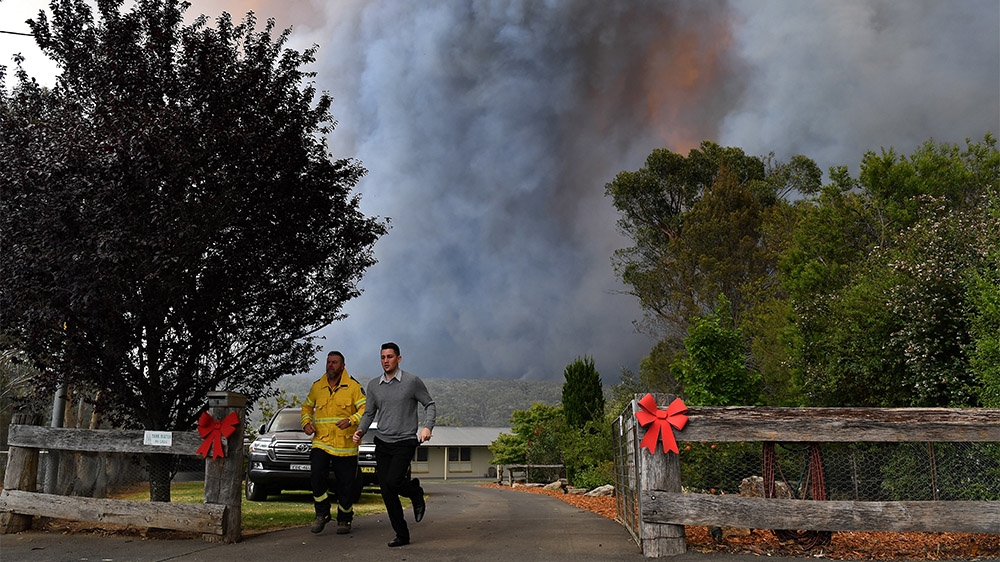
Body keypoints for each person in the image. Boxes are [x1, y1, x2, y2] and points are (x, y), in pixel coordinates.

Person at [353, 342, 436, 547]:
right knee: (387, 491)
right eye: (382, 357)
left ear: (398, 358)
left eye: (390, 357)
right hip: (382, 442)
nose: (385, 361)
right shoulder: (374, 385)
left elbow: (429, 404)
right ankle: (402, 535)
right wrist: (361, 430)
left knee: (393, 481)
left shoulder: (411, 382)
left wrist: (427, 428)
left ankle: (415, 492)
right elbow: (369, 412)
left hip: (405, 440)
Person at [302, 351, 366, 534]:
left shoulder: (354, 387)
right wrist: (306, 422)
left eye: (335, 362)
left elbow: (365, 408)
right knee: (316, 475)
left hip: (345, 446)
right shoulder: (317, 387)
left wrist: (352, 420)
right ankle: (322, 513)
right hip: (321, 442)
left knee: (345, 485)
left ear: (343, 366)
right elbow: (306, 407)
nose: (330, 365)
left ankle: (344, 519)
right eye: (328, 362)